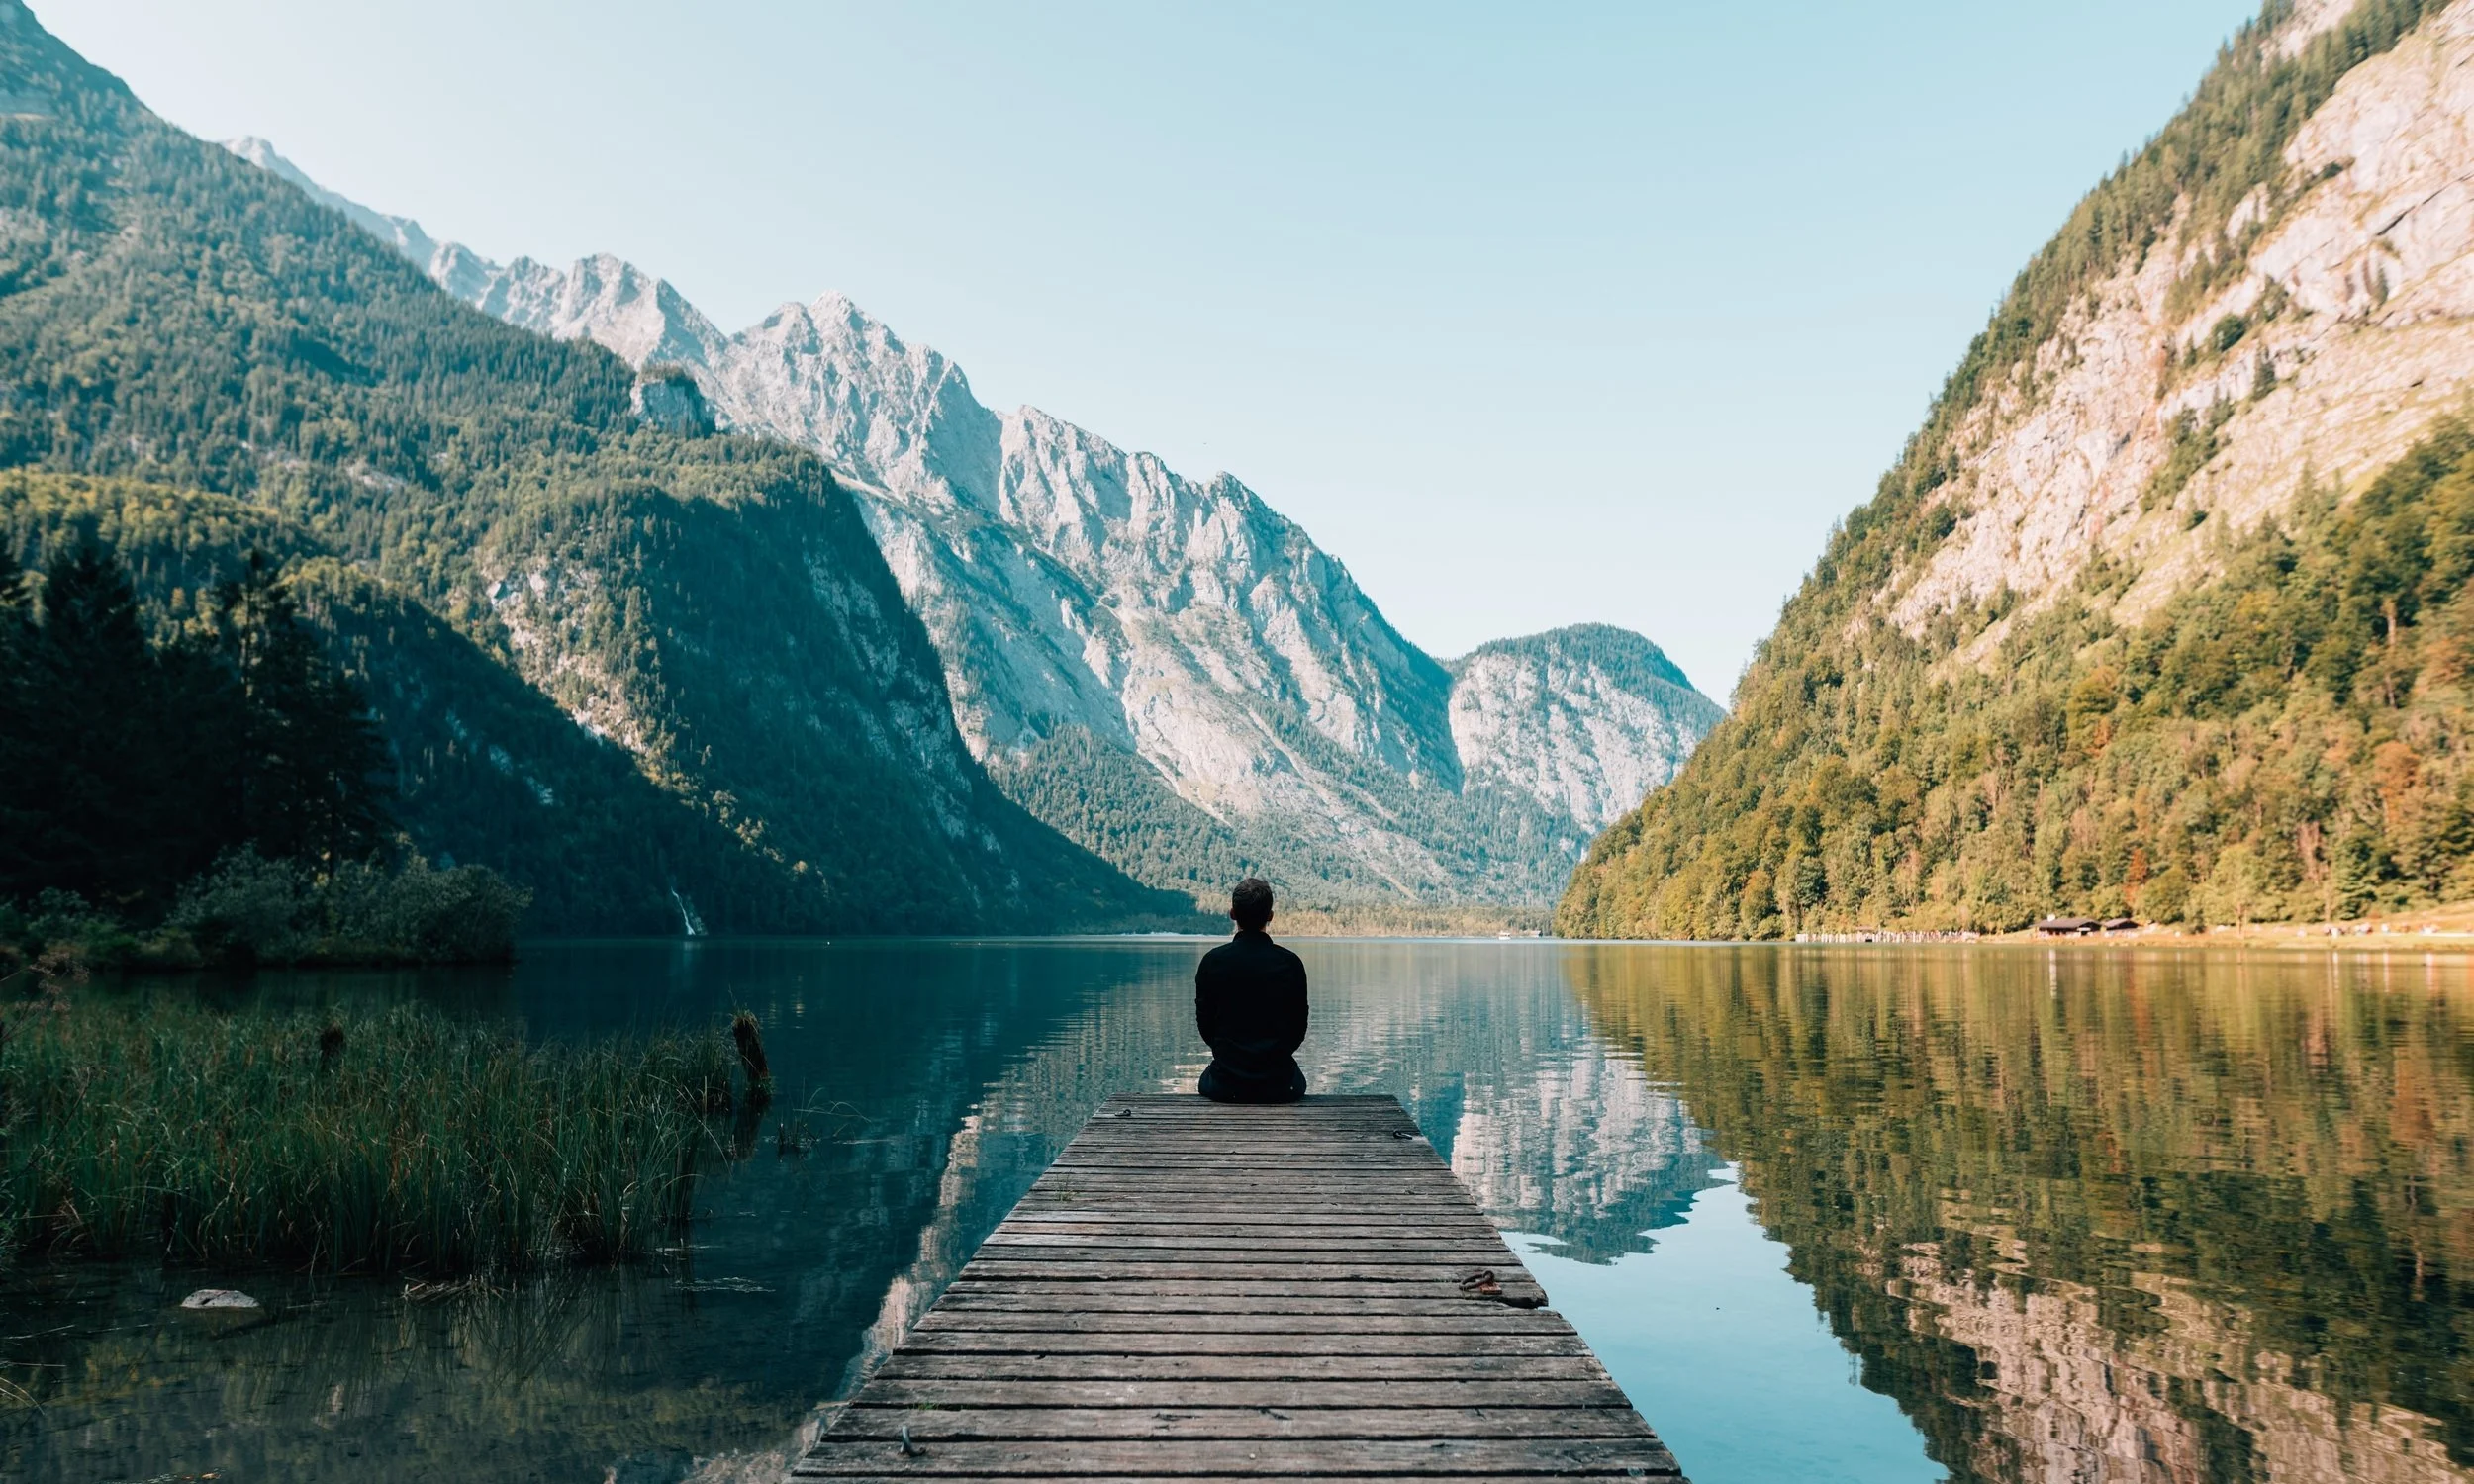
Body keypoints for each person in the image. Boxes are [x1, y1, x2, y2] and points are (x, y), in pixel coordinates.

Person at [1193, 877, 1308, 1103]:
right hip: (1281, 1085)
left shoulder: (1212, 962)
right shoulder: (1291, 963)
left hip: (1225, 1084)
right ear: (1270, 916)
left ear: (1232, 914)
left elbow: (1206, 1026)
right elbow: (1298, 1028)